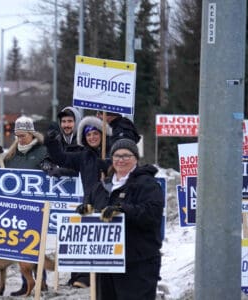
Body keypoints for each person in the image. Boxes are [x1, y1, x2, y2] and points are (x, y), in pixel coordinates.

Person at [84, 138, 164, 299]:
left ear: (135, 158)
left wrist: (122, 209)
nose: (121, 160)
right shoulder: (101, 186)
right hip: (107, 263)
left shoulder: (147, 184)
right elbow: (89, 205)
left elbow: (151, 215)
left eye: (126, 156)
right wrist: (84, 210)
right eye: (117, 156)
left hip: (138, 263)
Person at [0, 115, 50, 296]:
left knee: (35, 246)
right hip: (17, 207)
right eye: (18, 135)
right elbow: (1, 174)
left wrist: (49, 167)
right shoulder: (12, 154)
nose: (20, 139)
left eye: (23, 135)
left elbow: (52, 172)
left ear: (31, 134)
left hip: (37, 206)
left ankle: (41, 282)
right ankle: (27, 284)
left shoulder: (42, 151)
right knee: (21, 246)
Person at [49, 107, 90, 288]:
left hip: (83, 192)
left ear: (78, 122)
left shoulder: (84, 140)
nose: (66, 125)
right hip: (65, 196)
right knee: (69, 234)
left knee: (81, 233)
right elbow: (49, 158)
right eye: (64, 122)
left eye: (70, 121)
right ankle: (74, 275)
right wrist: (47, 166)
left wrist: (63, 171)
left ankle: (83, 276)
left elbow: (81, 162)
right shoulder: (58, 139)